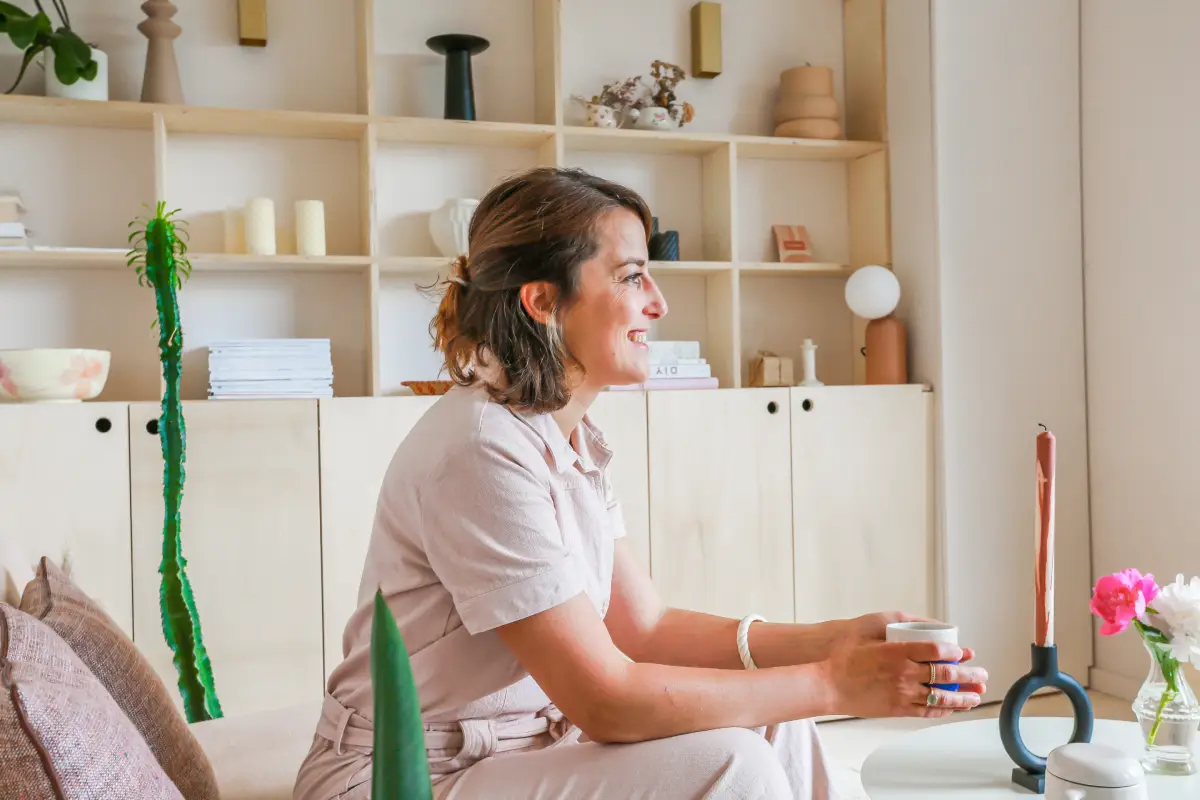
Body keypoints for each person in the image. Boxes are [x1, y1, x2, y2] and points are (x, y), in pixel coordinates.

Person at [292, 167, 987, 800]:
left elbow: (644, 629)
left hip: (520, 750)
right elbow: (606, 701)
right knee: (736, 761)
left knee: (783, 725)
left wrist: (835, 640)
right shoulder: (480, 451)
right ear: (543, 301)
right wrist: (836, 683)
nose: (657, 303)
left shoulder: (567, 437)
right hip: (403, 778)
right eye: (630, 276)